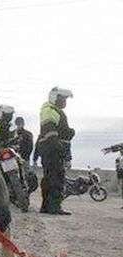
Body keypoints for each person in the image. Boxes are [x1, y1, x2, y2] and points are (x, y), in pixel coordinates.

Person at [36, 87, 75, 215]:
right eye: (62, 98)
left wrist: (68, 133)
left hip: (50, 148)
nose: (64, 101)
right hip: (52, 149)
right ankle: (54, 207)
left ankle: (47, 206)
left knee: (49, 177)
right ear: (55, 98)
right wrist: (60, 147)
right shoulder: (50, 110)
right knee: (56, 177)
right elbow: (50, 131)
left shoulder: (51, 110)